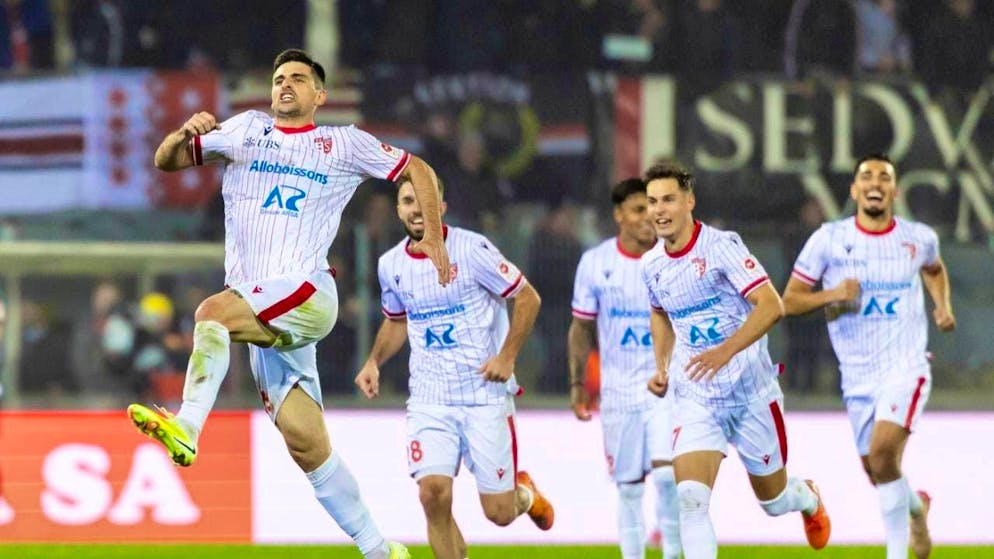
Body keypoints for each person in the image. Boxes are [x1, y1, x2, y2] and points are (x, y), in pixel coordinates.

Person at [126, 48, 451, 559]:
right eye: (279, 78)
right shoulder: (244, 132)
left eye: (299, 78)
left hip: (304, 292)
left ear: (319, 96)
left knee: (209, 314)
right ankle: (380, 550)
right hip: (260, 309)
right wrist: (182, 134)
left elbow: (421, 171)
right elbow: (165, 161)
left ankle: (187, 427)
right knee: (306, 445)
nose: (286, 84)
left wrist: (432, 237)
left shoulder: (342, 144)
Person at [354, 177, 555, 559]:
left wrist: (507, 356)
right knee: (432, 494)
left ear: (440, 207)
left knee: (498, 513)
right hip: (431, 399)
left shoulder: (472, 248)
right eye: (408, 201)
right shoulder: (390, 265)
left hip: (484, 396)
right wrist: (374, 361)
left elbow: (527, 297)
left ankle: (523, 494)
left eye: (424, 200)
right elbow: (397, 321)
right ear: (399, 209)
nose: (416, 208)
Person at [639, 162, 830, 558]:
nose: (659, 210)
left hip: (751, 394)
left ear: (689, 201)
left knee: (773, 501)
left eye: (669, 199)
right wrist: (661, 366)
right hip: (697, 397)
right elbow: (659, 312)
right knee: (690, 499)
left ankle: (807, 496)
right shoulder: (651, 264)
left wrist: (725, 351)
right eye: (652, 201)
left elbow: (771, 305)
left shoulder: (722, 247)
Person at [782, 153, 955, 559]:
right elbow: (788, 301)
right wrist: (833, 294)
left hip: (906, 367)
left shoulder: (917, 237)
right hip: (857, 376)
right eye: (866, 176)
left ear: (894, 190)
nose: (875, 182)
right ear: (854, 190)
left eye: (884, 177)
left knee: (881, 455)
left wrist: (942, 306)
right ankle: (917, 507)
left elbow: (934, 268)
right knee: (877, 470)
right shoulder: (828, 239)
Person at [567, 178, 681, 559]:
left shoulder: (672, 259)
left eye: (651, 207)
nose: (648, 217)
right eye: (637, 209)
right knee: (629, 488)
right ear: (618, 215)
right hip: (618, 395)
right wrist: (577, 383)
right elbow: (581, 327)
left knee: (668, 478)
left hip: (666, 386)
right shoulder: (596, 263)